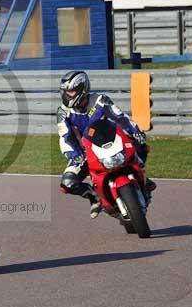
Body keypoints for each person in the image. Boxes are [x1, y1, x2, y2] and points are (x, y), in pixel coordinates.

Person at [56, 70, 155, 218]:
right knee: (68, 183)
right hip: (84, 153)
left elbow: (120, 117)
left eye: (71, 91)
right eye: (66, 92)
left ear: (82, 89)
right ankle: (94, 197)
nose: (67, 95)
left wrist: (136, 130)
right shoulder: (63, 113)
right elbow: (65, 137)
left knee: (140, 144)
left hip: (111, 142)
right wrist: (75, 155)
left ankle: (144, 178)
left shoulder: (100, 100)